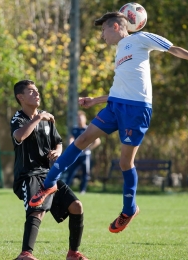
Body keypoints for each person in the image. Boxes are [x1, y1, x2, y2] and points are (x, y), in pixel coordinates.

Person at [30, 11, 188, 233]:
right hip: (114, 106)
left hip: (137, 110)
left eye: (103, 30)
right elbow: (122, 89)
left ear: (115, 27)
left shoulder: (141, 39)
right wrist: (96, 100)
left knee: (125, 163)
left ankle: (129, 209)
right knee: (83, 138)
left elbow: (173, 49)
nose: (102, 35)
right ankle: (48, 184)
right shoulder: (120, 51)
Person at [11, 80, 88, 260]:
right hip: (28, 175)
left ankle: (73, 253)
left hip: (49, 175)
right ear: (20, 97)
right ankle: (25, 254)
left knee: (76, 206)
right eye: (31, 91)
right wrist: (38, 118)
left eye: (37, 90)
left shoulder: (47, 119)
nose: (37, 94)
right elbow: (19, 136)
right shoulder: (18, 118)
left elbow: (58, 142)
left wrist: (57, 152)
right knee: (37, 209)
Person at [64, 110, 100, 194]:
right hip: (76, 155)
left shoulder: (88, 129)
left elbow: (97, 141)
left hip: (85, 155)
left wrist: (88, 148)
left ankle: (82, 190)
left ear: (85, 119)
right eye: (78, 118)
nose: (79, 120)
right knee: (71, 172)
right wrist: (71, 145)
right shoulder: (75, 129)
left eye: (81, 118)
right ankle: (65, 189)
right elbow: (71, 138)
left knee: (85, 173)